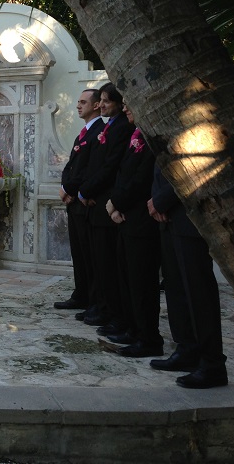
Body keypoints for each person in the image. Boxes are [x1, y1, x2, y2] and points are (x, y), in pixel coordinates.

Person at [148, 166, 228, 388]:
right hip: (168, 216)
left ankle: (212, 364)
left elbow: (195, 169)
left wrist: (162, 200)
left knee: (198, 291)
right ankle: (187, 348)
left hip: (189, 214)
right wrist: (157, 199)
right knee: (175, 288)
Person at [104, 101, 162, 357]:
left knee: (142, 284)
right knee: (127, 279)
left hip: (141, 220)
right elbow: (122, 174)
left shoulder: (150, 138)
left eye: (130, 104)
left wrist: (116, 203)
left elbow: (141, 180)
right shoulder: (135, 135)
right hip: (126, 218)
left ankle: (149, 338)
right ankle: (134, 329)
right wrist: (115, 206)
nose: (126, 108)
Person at [77, 82, 134, 330]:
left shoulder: (119, 128)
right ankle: (103, 308)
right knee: (98, 264)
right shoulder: (109, 127)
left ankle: (113, 313)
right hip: (93, 202)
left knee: (108, 265)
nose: (101, 105)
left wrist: (85, 191)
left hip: (104, 203)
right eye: (99, 100)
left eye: (106, 101)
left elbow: (110, 167)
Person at [56, 89, 104, 314]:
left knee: (90, 254)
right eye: (78, 101)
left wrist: (70, 189)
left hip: (83, 201)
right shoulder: (83, 133)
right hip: (73, 200)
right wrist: (64, 186)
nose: (78, 106)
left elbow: (90, 168)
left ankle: (94, 300)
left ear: (96, 106)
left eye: (83, 102)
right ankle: (81, 293)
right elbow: (71, 165)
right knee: (78, 252)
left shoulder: (99, 133)